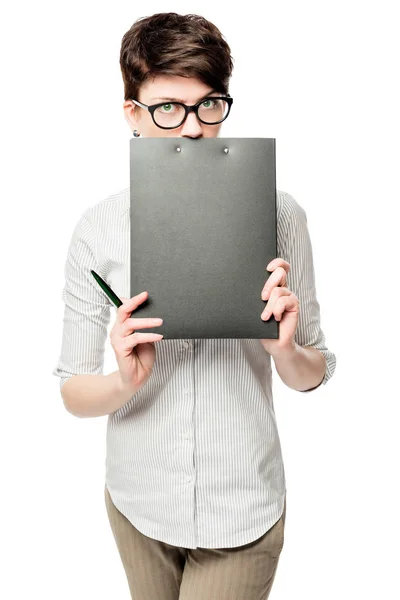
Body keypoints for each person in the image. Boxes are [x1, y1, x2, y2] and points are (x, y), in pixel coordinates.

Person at [52, 12, 337, 600]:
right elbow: (73, 390)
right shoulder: (99, 227)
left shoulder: (280, 214)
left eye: (208, 105)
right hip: (139, 498)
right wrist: (125, 379)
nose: (190, 128)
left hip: (244, 506)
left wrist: (285, 349)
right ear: (132, 111)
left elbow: (315, 369)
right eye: (167, 108)